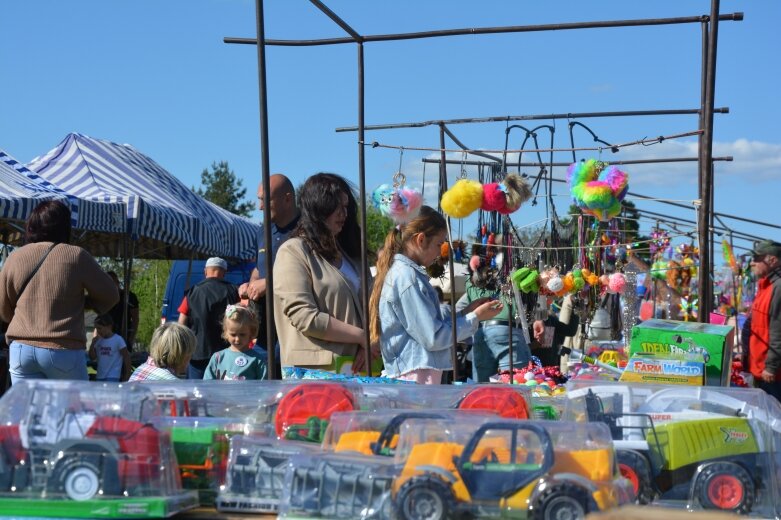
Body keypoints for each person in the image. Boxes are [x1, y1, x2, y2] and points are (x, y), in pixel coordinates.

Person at [369, 206, 503, 384]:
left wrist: (467, 312)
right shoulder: (406, 277)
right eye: (439, 244)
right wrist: (475, 317)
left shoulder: (410, 275)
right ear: (421, 240)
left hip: (418, 377)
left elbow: (431, 326)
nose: (440, 252)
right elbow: (433, 337)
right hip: (414, 381)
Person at [0, 200, 118, 383]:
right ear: (65, 226)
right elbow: (111, 295)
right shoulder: (76, 256)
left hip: (21, 349)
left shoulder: (15, 257)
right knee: (71, 410)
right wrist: (84, 304)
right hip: (63, 348)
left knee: (31, 411)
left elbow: (5, 312)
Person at [273, 173, 368, 375]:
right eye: (337, 206)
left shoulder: (351, 256)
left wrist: (368, 344)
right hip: (314, 375)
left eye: (346, 206)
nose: (344, 213)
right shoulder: (293, 251)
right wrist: (362, 336)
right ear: (319, 207)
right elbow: (304, 317)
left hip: (356, 369)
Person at [240, 174, 300, 377]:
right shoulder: (262, 232)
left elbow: (311, 276)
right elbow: (259, 268)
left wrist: (270, 283)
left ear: (287, 199)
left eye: (266, 200)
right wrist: (251, 285)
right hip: (264, 335)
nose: (260, 207)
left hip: (294, 331)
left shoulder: (307, 230)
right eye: (259, 200)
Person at [456, 260, 532, 382]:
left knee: (483, 388)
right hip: (508, 332)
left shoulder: (470, 284)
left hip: (481, 334)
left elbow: (458, 308)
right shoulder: (512, 277)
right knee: (516, 383)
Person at [178, 257, 240, 379]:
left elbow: (181, 324)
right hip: (226, 353)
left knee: (196, 393)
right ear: (224, 272)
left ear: (205, 271)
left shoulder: (193, 292)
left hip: (198, 354)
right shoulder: (234, 291)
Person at [747, 240, 781, 401]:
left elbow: (778, 330)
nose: (752, 263)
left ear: (772, 260)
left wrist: (771, 367)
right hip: (760, 367)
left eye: (757, 259)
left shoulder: (778, 287)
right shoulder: (765, 286)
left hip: (773, 374)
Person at [204, 304, 267, 380]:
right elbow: (207, 385)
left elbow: (264, 387)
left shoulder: (257, 360)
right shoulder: (218, 358)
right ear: (226, 332)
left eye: (242, 334)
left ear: (252, 332)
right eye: (233, 335)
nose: (237, 339)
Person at [129, 322, 196, 381]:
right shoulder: (174, 385)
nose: (190, 357)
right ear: (183, 354)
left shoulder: (140, 370)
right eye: (190, 352)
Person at [532, 295, 580, 368]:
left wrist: (575, 309)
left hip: (552, 367)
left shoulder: (551, 319)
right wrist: (535, 344)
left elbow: (570, 331)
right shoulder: (530, 321)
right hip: (535, 368)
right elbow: (523, 347)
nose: (548, 300)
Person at [88, 314, 131, 382]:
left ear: (109, 326)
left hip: (113, 376)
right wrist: (92, 344)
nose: (98, 331)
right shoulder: (98, 341)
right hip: (100, 376)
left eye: (100, 328)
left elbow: (126, 357)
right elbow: (92, 357)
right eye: (96, 328)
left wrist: (127, 375)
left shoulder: (118, 340)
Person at [105, 271, 140, 351]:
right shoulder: (104, 297)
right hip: (108, 336)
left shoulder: (130, 296)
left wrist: (131, 339)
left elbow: (135, 319)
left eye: (112, 282)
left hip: (124, 336)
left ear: (117, 282)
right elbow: (100, 318)